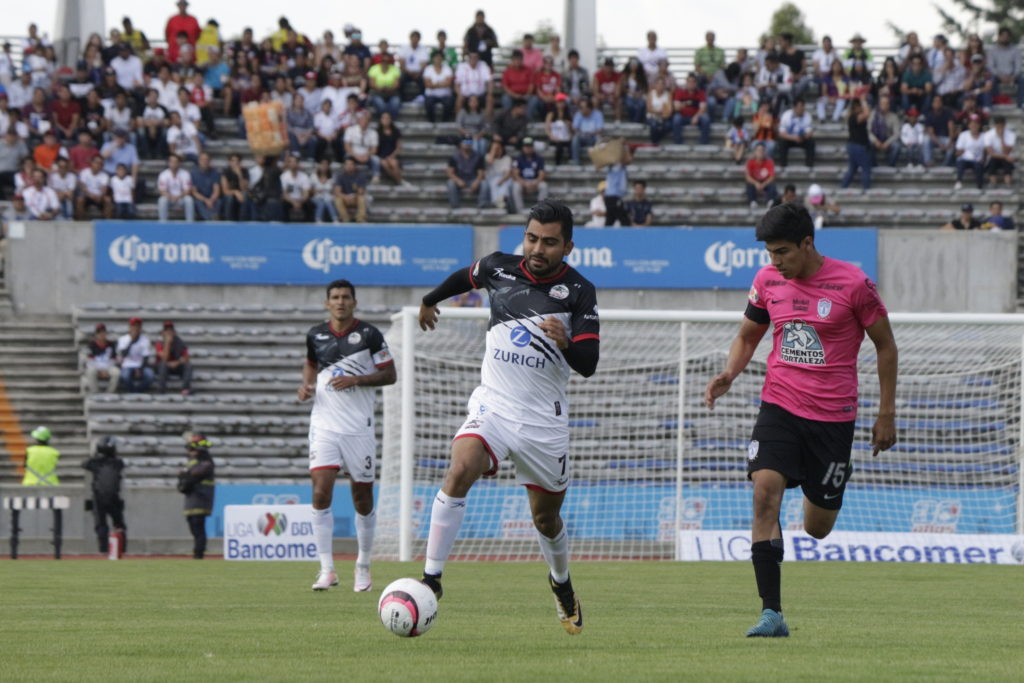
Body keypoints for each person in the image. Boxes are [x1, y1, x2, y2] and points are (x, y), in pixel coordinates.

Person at [705, 202, 897, 638]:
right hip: (780, 406)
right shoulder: (768, 280)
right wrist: (729, 373)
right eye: (770, 253)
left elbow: (886, 346)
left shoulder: (854, 284)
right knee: (763, 495)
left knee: (817, 528)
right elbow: (748, 335)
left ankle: (835, 475)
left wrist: (886, 413)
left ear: (807, 243)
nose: (775, 262)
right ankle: (771, 613)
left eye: (783, 252)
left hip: (833, 419)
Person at [417, 199, 599, 635]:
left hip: (543, 422)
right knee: (460, 466)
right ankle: (431, 579)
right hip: (493, 404)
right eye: (532, 238)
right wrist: (429, 300)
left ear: (568, 246)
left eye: (550, 242)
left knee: (545, 520)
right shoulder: (499, 267)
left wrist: (566, 343)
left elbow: (589, 362)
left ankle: (561, 583)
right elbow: (467, 276)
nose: (538, 248)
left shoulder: (579, 292)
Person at [298, 279, 396, 592]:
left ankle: (363, 565)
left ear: (354, 302)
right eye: (335, 297)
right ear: (327, 303)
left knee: (362, 498)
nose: (340, 302)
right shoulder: (316, 334)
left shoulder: (369, 335)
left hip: (358, 428)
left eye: (345, 297)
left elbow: (390, 375)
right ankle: (327, 569)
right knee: (320, 492)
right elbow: (311, 363)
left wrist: (357, 378)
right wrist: (307, 385)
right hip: (324, 425)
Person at [82, 436, 127, 554]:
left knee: (101, 525)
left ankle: (104, 550)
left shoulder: (94, 463)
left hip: (99, 497)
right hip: (114, 498)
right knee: (119, 524)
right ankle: (121, 550)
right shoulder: (118, 463)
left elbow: (84, 464)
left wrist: (94, 455)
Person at [178, 433, 214, 559]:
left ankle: (199, 553)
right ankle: (198, 551)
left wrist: (186, 476)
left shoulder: (206, 461)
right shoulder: (192, 461)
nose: (190, 451)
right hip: (191, 498)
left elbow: (194, 474)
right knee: (192, 524)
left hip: (201, 498)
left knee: (198, 526)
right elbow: (186, 476)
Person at [840, 95, 872, 191]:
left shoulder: (852, 116)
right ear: (856, 107)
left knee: (852, 169)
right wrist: (862, 100)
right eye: (860, 106)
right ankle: (866, 190)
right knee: (866, 168)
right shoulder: (854, 117)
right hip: (858, 146)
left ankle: (842, 187)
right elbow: (867, 113)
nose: (862, 108)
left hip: (853, 146)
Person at [510, 137, 548, 213]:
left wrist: (535, 183)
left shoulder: (538, 158)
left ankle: (540, 210)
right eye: (526, 146)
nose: (528, 148)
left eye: (530, 146)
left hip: (535, 181)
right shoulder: (519, 159)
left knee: (544, 186)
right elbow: (515, 174)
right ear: (523, 148)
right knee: (516, 186)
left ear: (533, 147)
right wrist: (524, 183)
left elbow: (542, 174)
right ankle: (520, 210)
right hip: (522, 181)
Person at [446, 138, 488, 208]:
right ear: (461, 144)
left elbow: (481, 173)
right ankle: (455, 205)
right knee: (450, 183)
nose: (467, 144)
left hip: (473, 180)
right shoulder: (454, 157)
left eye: (469, 142)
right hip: (460, 179)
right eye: (465, 142)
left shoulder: (478, 156)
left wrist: (476, 182)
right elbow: (450, 172)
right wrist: (457, 180)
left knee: (484, 183)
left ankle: (482, 204)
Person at [155, 321, 193, 395]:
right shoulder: (159, 343)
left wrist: (177, 362)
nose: (169, 332)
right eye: (166, 330)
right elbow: (164, 358)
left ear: (174, 332)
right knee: (163, 365)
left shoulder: (180, 342)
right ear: (163, 332)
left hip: (175, 365)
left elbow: (186, 358)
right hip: (163, 366)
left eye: (170, 330)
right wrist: (167, 343)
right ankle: (161, 389)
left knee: (188, 366)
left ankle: (185, 388)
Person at [116, 316, 153, 392]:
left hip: (140, 365)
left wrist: (140, 369)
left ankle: (137, 391)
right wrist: (131, 341)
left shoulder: (145, 340)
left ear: (140, 328)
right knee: (125, 376)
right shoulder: (123, 339)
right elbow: (123, 355)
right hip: (127, 365)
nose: (135, 328)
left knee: (150, 375)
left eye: (137, 326)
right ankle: (133, 392)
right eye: (133, 326)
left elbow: (146, 357)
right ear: (130, 327)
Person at [776, 100, 815, 168]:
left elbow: (809, 132)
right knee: (781, 141)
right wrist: (793, 138)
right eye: (799, 108)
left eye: (803, 108)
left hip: (802, 138)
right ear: (794, 107)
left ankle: (809, 165)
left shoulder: (807, 116)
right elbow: (781, 133)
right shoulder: (786, 115)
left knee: (811, 142)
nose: (801, 110)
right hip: (789, 138)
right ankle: (783, 165)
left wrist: (802, 137)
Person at [84, 322, 119, 394]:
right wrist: (100, 371)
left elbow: (114, 360)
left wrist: (105, 370)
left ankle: (110, 393)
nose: (101, 335)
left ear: (106, 333)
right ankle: (95, 393)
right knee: (90, 371)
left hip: (108, 367)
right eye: (99, 333)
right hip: (96, 367)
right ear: (96, 334)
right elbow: (89, 362)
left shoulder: (111, 344)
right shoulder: (91, 345)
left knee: (116, 372)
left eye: (103, 332)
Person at [954, 115, 986, 190]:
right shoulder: (963, 135)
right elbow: (957, 152)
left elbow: (986, 150)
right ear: (969, 125)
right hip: (965, 159)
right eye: (972, 123)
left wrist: (983, 159)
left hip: (978, 160)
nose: (974, 126)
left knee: (979, 166)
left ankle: (979, 186)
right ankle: (958, 182)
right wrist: (961, 151)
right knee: (961, 163)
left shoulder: (984, 136)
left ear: (979, 125)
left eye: (976, 124)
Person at [333, 156, 369, 223]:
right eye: (347, 164)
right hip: (345, 199)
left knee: (362, 198)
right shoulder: (340, 176)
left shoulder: (360, 176)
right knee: (337, 200)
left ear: (355, 166)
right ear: (344, 166)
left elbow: (361, 192)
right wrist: (345, 197)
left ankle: (360, 219)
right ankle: (345, 219)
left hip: (355, 198)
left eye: (351, 164)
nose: (349, 166)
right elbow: (337, 192)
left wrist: (353, 196)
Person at [983, 115, 1016, 187]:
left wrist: (1002, 138)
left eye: (1001, 125)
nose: (1000, 128)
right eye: (998, 125)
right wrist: (1005, 156)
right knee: (993, 161)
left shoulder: (1011, 134)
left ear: (1004, 125)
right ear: (994, 125)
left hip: (1005, 157)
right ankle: (993, 183)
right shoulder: (988, 135)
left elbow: (1007, 151)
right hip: (995, 157)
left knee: (1007, 162)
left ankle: (1008, 183)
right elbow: (990, 153)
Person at [745, 142, 779, 208]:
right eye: (758, 150)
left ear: (765, 151)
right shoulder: (750, 162)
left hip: (765, 181)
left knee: (772, 185)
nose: (760, 152)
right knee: (749, 185)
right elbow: (748, 177)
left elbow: (772, 176)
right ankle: (752, 202)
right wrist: (756, 183)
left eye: (762, 150)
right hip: (754, 181)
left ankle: (770, 201)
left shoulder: (769, 162)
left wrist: (764, 184)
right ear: (755, 152)